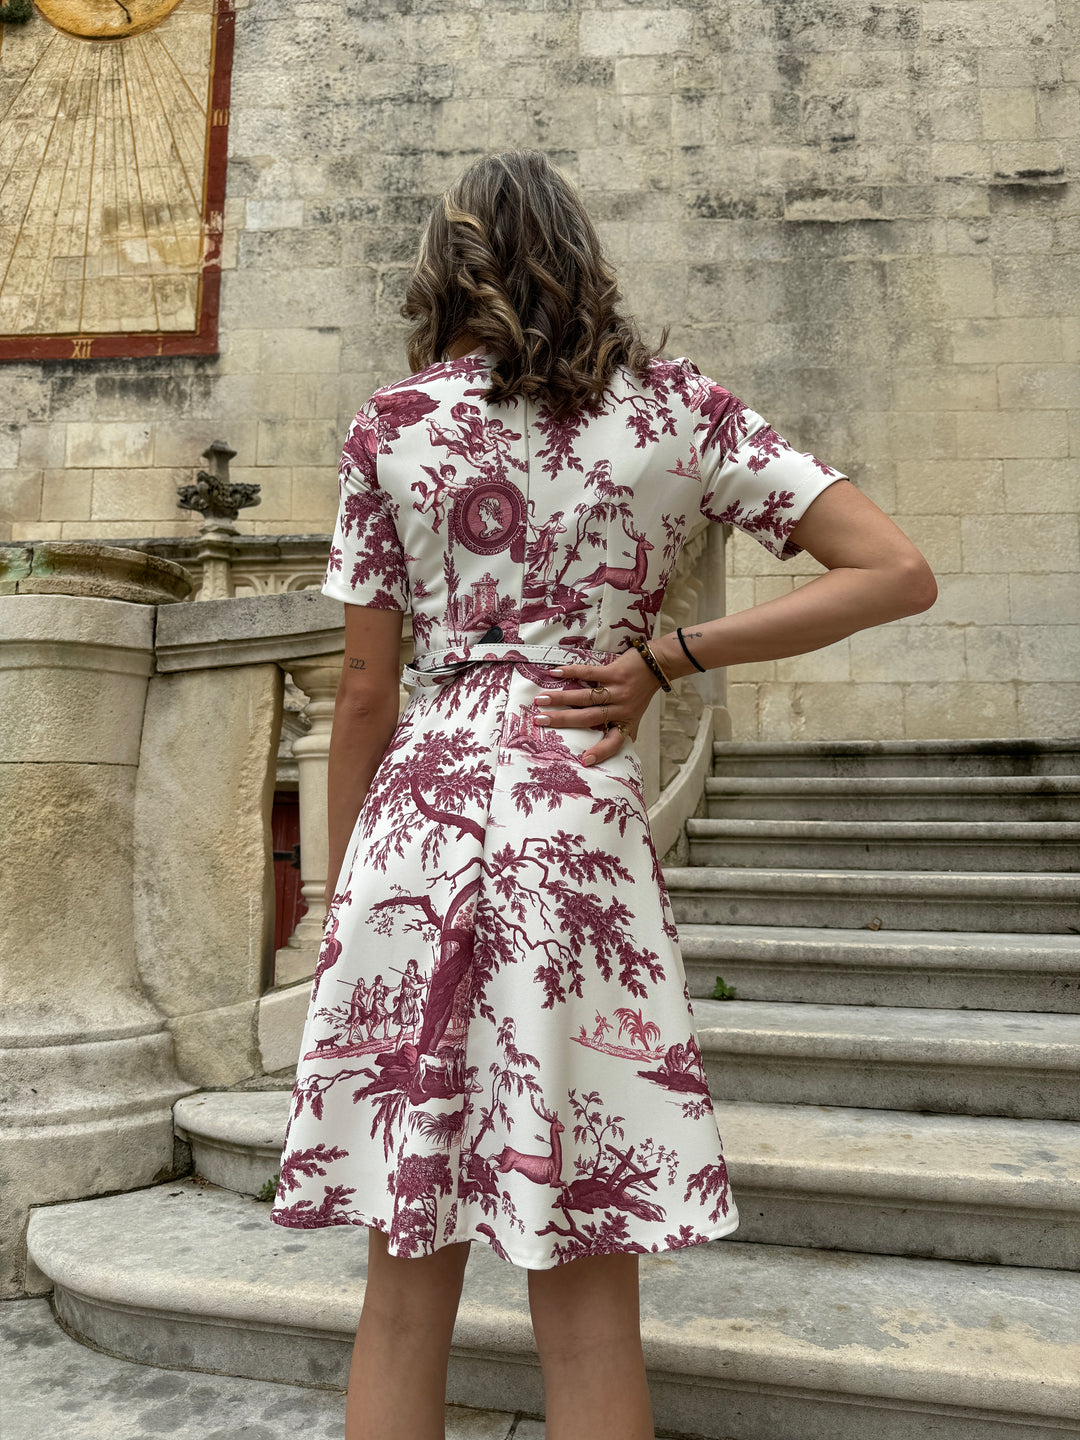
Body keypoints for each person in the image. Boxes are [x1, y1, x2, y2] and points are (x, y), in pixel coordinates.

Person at [270, 149, 937, 1440]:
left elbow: (360, 693)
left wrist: (343, 907)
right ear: (579, 257)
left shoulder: (390, 427)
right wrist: (667, 658)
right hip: (574, 822)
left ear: (446, 269)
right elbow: (896, 571)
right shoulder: (681, 415)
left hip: (418, 825)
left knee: (401, 1285)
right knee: (586, 1282)